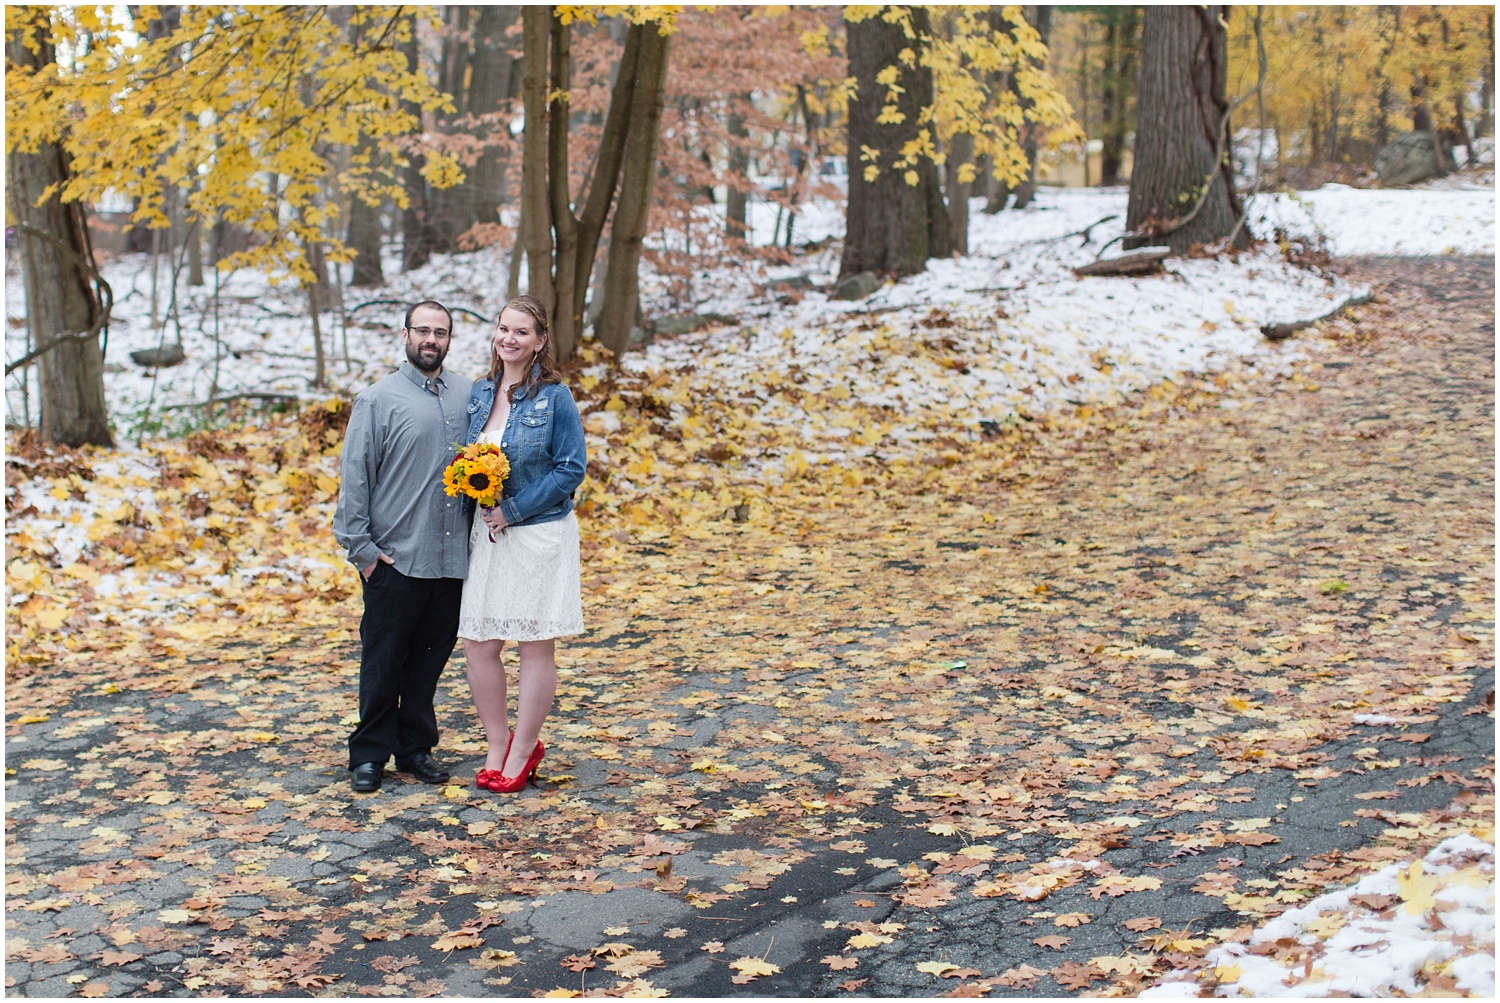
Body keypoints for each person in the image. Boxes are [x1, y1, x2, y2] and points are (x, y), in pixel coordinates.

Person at [333, 300, 474, 793]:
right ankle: (368, 754)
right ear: (405, 335)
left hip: (454, 558)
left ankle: (415, 748)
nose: (431, 339)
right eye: (423, 331)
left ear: (450, 339)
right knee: (383, 660)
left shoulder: (470, 394)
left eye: (440, 332)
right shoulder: (377, 399)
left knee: (429, 661)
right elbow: (356, 479)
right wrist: (363, 552)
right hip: (395, 557)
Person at [459, 294, 586, 794]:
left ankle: (523, 748)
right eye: (502, 328)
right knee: (479, 644)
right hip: (485, 539)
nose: (508, 338)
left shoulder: (556, 397)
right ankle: (497, 741)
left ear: (539, 342)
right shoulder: (478, 393)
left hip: (537, 534)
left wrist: (511, 510)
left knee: (534, 645)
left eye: (520, 332)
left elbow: (570, 468)